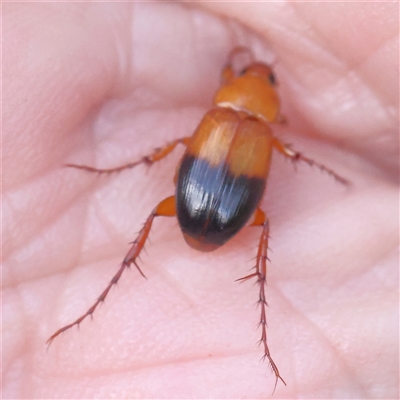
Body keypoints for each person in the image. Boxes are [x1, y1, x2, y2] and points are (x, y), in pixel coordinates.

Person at [3, 2, 398, 398]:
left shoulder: (216, 118)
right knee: (260, 219)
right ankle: (257, 300)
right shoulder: (268, 135)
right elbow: (294, 154)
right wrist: (324, 169)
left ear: (232, 84)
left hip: (192, 210)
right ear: (271, 100)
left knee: (164, 196)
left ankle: (116, 284)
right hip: (230, 217)